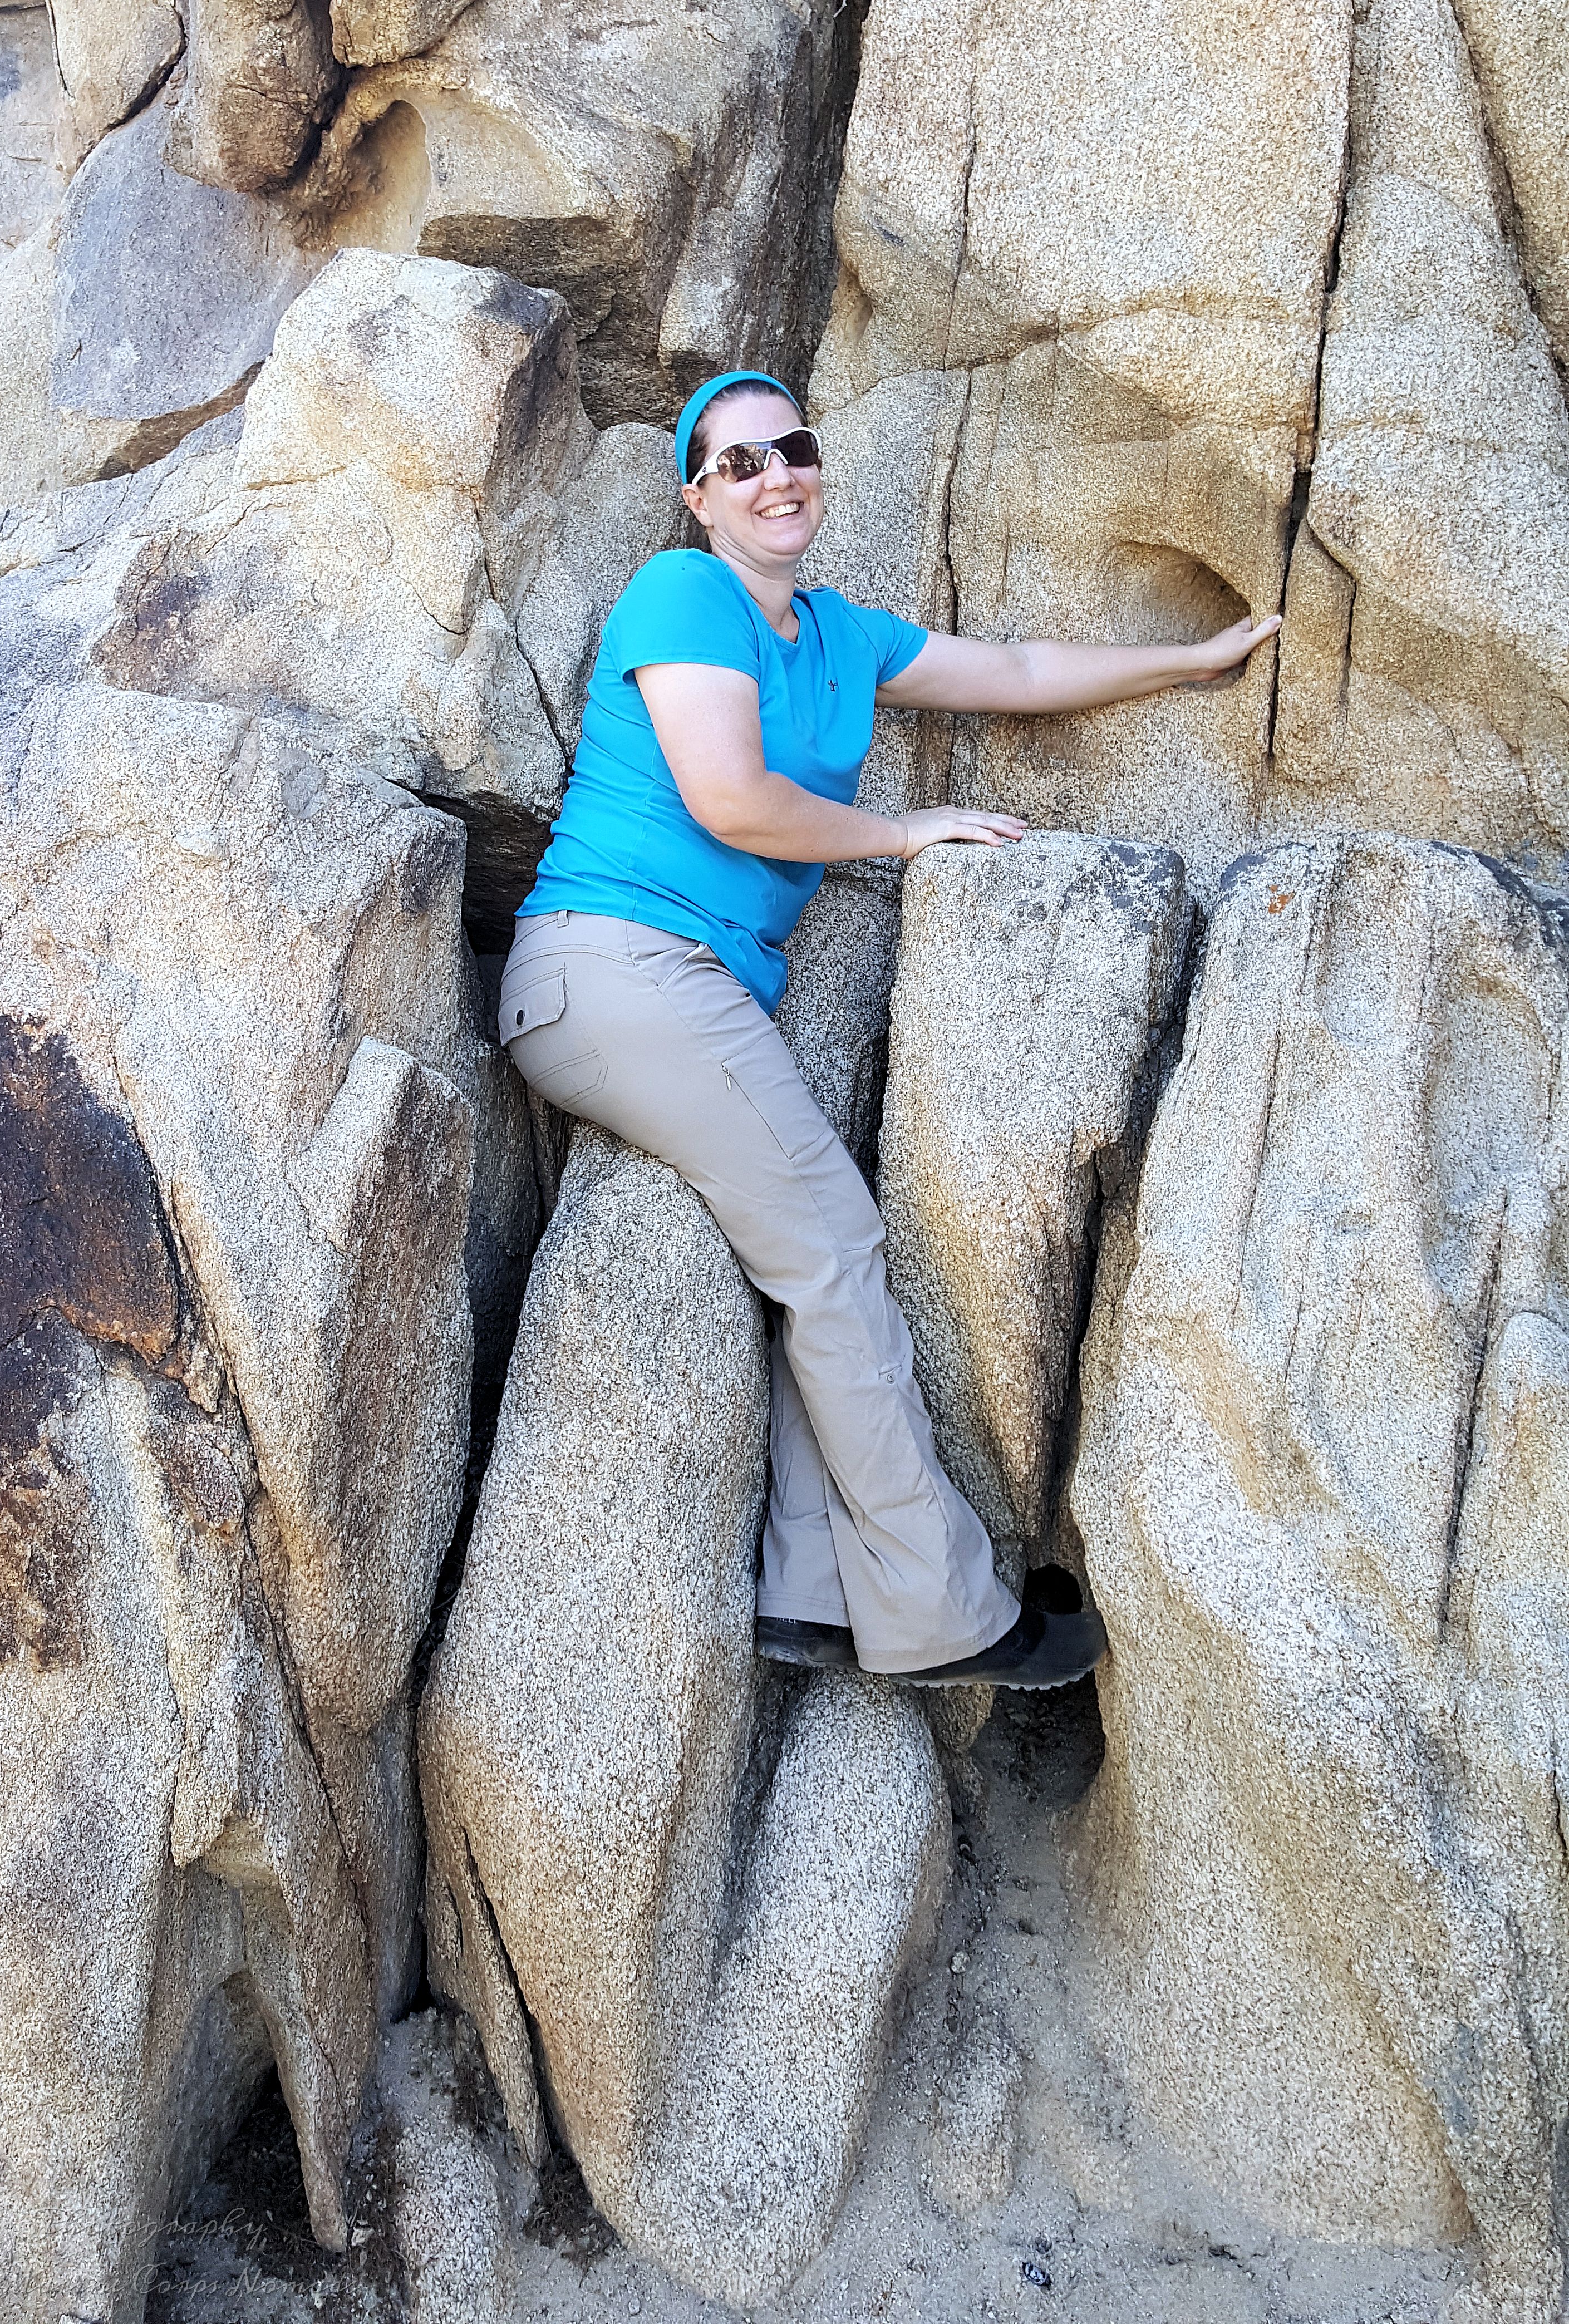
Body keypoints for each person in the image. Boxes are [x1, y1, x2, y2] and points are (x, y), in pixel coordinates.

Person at [498, 370, 1281, 1688]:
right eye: (738, 464)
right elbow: (734, 798)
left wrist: (1191, 660)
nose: (773, 476)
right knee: (838, 1240)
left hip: (667, 987)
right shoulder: (683, 595)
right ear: (700, 498)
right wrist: (902, 831)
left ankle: (811, 1588)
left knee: (812, 1254)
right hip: (612, 962)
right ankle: (948, 1613)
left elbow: (1020, 670)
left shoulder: (838, 635)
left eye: (790, 449)